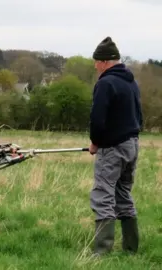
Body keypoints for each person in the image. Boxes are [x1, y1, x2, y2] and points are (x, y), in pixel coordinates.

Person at [88, 37, 142, 256]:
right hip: (132, 144)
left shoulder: (105, 83)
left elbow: (98, 118)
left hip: (112, 148)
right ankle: (131, 248)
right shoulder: (131, 81)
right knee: (123, 193)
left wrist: (95, 142)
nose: (95, 66)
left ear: (105, 61)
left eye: (96, 62)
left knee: (103, 194)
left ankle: (101, 251)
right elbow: (139, 114)